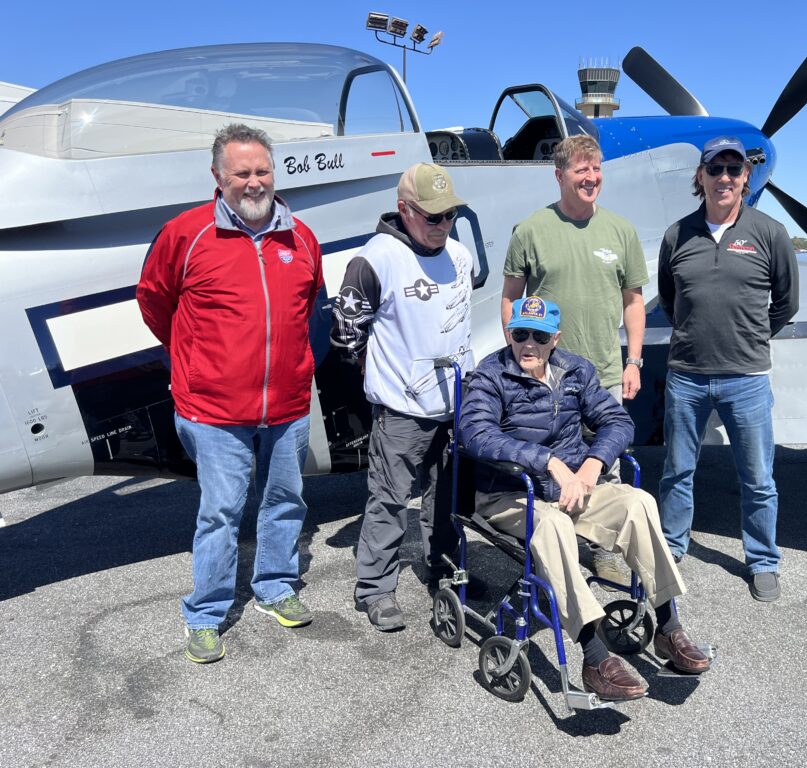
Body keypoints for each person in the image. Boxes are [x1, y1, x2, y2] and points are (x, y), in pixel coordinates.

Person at [137, 123, 324, 663]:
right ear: (218, 176)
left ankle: (274, 586)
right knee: (220, 510)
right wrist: (197, 358)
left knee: (285, 499)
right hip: (214, 410)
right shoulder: (187, 233)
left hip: (286, 403)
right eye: (241, 172)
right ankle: (206, 612)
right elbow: (154, 301)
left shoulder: (301, 237)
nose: (253, 181)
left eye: (262, 170)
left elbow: (309, 303)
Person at [461, 296, 709, 701]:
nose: (527, 344)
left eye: (539, 336)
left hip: (574, 488)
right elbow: (476, 434)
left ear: (555, 339)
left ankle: (668, 628)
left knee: (638, 503)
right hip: (510, 492)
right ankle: (594, 655)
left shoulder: (577, 370)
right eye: (519, 333)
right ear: (510, 333)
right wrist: (548, 462)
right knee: (555, 525)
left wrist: (594, 462)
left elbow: (617, 421)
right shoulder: (491, 375)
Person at [331, 163, 474, 632]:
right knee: (390, 501)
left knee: (448, 496)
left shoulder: (459, 255)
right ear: (403, 209)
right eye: (431, 216)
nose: (442, 225)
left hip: (454, 403)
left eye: (449, 215)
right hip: (401, 410)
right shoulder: (374, 259)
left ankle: (444, 569)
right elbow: (346, 335)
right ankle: (375, 588)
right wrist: (386, 378)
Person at [501, 133, 648, 587]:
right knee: (550, 461)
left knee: (607, 465)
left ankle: (607, 553)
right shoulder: (530, 230)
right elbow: (511, 298)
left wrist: (634, 360)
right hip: (548, 376)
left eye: (597, 168)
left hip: (603, 372)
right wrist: (519, 352)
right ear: (559, 175)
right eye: (582, 170)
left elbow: (633, 301)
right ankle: (558, 546)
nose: (592, 177)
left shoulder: (620, 231)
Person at [657, 136, 799, 602]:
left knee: (758, 478)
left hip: (747, 379)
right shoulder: (677, 235)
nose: (723, 178)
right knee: (677, 470)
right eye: (714, 170)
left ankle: (762, 560)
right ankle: (672, 548)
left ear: (746, 178)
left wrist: (749, 338)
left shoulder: (770, 233)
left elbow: (786, 302)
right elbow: (671, 300)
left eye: (733, 170)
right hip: (688, 375)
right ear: (699, 177)